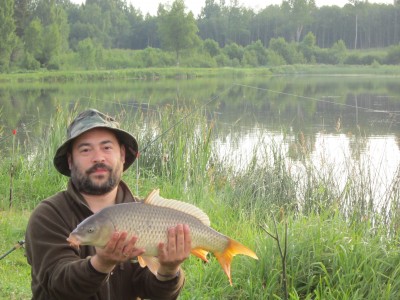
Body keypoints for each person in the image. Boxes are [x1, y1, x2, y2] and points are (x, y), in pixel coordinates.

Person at [25, 109, 191, 300]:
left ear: (122, 155)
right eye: (86, 150)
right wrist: (101, 263)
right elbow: (57, 284)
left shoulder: (143, 214)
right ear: (70, 161)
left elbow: (152, 292)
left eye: (107, 148)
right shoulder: (49, 215)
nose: (98, 157)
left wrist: (169, 271)